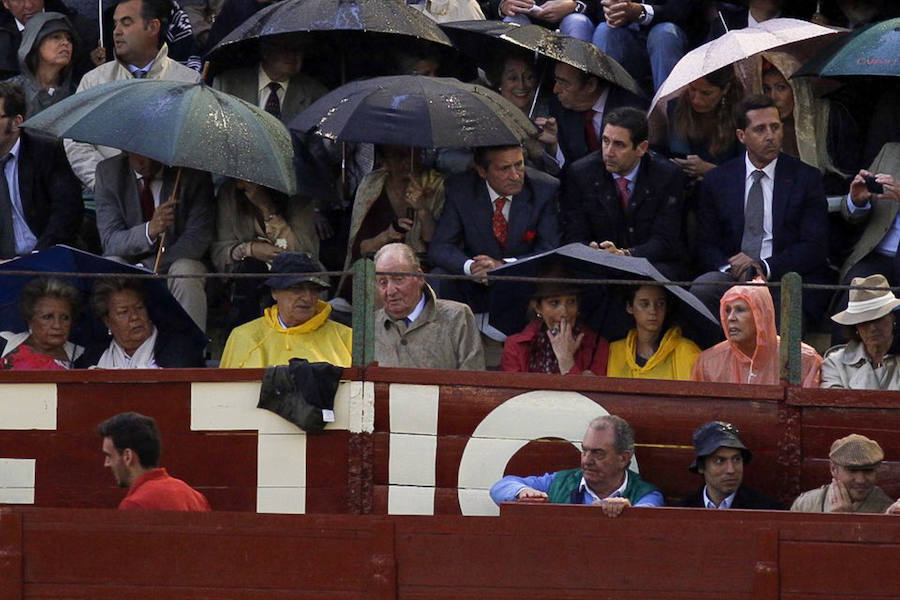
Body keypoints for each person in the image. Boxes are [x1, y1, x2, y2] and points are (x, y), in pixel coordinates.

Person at [691, 95, 830, 323]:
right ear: (741, 136)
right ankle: (724, 358)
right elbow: (705, 243)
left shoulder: (806, 178)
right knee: (702, 290)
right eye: (760, 129)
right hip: (732, 278)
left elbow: (815, 245)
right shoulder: (718, 181)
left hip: (782, 277)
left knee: (786, 306)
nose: (770, 136)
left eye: (775, 127)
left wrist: (763, 267)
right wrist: (731, 268)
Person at [64, 0, 201, 192]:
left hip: (171, 197)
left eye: (126, 23)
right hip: (112, 199)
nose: (116, 31)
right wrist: (111, 185)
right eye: (115, 24)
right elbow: (76, 143)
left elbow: (193, 146)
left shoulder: (188, 81)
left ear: (152, 27)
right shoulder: (94, 81)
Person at [428, 144, 560, 317]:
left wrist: (502, 266)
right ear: (482, 171)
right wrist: (472, 267)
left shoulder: (543, 189)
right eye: (504, 168)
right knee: (439, 276)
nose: (515, 175)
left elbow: (548, 251)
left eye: (519, 164)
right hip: (474, 283)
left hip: (520, 282)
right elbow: (440, 247)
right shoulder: (461, 189)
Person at [93, 151, 214, 331]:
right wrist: (149, 230)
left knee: (186, 271)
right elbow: (111, 241)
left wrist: (148, 267)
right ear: (125, 151)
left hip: (175, 261)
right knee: (111, 265)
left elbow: (197, 239)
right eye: (139, 156)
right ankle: (115, 349)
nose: (147, 162)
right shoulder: (108, 172)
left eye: (152, 155)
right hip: (130, 263)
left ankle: (190, 351)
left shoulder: (191, 173)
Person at [562, 106, 686, 278]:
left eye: (619, 145)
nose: (609, 152)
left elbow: (666, 240)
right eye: (605, 141)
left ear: (641, 148)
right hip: (598, 265)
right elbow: (574, 234)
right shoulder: (581, 173)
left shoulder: (667, 176)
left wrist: (626, 255)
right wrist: (593, 250)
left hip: (649, 264)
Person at [489, 415, 664, 517]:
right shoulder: (559, 482)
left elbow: (647, 514)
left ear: (623, 458)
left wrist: (627, 511)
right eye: (585, 451)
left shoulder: (646, 494)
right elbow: (499, 488)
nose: (587, 460)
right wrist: (522, 492)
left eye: (598, 453)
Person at [211, 178, 318, 328]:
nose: (241, 184)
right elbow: (219, 253)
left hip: (294, 278)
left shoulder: (297, 192)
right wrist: (250, 249)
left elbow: (304, 255)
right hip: (247, 281)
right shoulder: (229, 192)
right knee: (252, 267)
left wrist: (266, 208)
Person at [219, 252, 352, 368]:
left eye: (314, 289)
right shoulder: (244, 337)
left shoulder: (346, 337)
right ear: (275, 292)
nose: (307, 297)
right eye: (296, 288)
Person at [0, 81, 82, 260]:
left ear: (16, 123)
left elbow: (67, 212)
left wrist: (38, 257)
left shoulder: (46, 151)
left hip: (43, 257)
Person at [374, 243, 484, 370]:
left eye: (398, 279)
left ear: (420, 277)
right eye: (383, 282)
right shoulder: (369, 326)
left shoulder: (457, 317)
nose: (390, 291)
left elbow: (473, 381)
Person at [344, 145, 444, 281]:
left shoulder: (436, 186)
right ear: (384, 162)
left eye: (412, 154)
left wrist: (422, 210)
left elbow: (437, 246)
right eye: (399, 156)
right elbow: (359, 250)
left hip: (420, 268)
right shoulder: (371, 185)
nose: (408, 161)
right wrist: (387, 235)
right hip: (376, 268)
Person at [691, 283, 822, 386]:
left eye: (740, 310)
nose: (730, 318)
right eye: (727, 310)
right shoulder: (708, 363)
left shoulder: (804, 359)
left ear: (761, 314)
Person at [76, 277, 205, 368]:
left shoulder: (179, 349)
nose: (134, 317)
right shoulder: (93, 356)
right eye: (124, 312)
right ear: (107, 321)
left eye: (139, 308)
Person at [98, 411, 210, 511]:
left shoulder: (135, 505)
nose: (106, 463)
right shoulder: (195, 497)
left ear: (128, 456)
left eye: (109, 456)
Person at [500, 276, 608, 375]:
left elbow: (592, 394)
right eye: (554, 303)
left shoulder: (597, 344)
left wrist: (566, 360)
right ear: (538, 307)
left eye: (571, 301)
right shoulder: (515, 345)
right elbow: (514, 391)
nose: (564, 313)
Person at [546, 61, 646, 168]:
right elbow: (566, 164)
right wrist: (553, 147)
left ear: (591, 85)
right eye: (556, 81)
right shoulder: (559, 107)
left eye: (564, 84)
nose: (555, 89)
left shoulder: (632, 108)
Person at [835, 144, 900, 301]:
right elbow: (852, 215)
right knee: (849, 307)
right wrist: (857, 201)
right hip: (876, 256)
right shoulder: (890, 151)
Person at [211, 37, 327, 125]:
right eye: (285, 48)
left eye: (298, 49)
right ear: (266, 51)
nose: (292, 55)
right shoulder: (227, 85)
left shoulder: (315, 93)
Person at [591, 0, 693, 92]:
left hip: (670, 37)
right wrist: (614, 11)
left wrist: (641, 12)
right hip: (627, 35)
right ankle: (607, 107)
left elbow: (683, 12)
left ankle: (667, 107)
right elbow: (596, 9)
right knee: (604, 31)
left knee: (664, 34)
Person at [679, 421, 782, 509]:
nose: (731, 470)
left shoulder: (765, 509)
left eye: (736, 459)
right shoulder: (682, 511)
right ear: (701, 467)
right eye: (720, 461)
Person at [665, 66, 743, 180]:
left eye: (706, 93)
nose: (696, 99)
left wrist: (709, 169)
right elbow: (677, 153)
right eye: (692, 89)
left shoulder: (740, 114)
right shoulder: (677, 107)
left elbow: (745, 170)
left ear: (725, 89)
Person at [823, 274, 900, 390]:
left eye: (879, 319)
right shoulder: (836, 363)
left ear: (892, 318)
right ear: (856, 327)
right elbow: (833, 404)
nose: (873, 328)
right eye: (864, 322)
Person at [607, 284, 700, 380]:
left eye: (660, 304)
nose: (653, 310)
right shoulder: (614, 351)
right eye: (645, 304)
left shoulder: (686, 350)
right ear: (629, 307)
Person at [791, 433, 894, 514]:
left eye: (868, 471)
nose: (860, 480)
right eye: (852, 470)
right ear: (833, 469)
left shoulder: (886, 509)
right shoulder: (806, 505)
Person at [0, 277, 83, 369]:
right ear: (30, 319)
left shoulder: (82, 358)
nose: (57, 325)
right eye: (47, 317)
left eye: (65, 318)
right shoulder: (4, 344)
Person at [5, 11, 76, 117]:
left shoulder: (76, 93)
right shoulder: (10, 92)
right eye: (56, 37)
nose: (65, 43)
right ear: (34, 43)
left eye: (69, 39)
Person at [491, 0, 595, 41]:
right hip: (521, 15)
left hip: (572, 17)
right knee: (513, 21)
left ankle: (574, 84)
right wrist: (502, 4)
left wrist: (575, 5)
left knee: (577, 23)